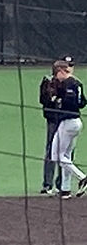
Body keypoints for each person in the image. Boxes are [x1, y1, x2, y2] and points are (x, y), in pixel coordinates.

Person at [47, 59, 87, 199]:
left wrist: (57, 99)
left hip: (68, 122)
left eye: (57, 73)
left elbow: (70, 102)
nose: (56, 77)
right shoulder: (77, 82)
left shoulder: (68, 84)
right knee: (66, 156)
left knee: (57, 156)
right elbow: (82, 102)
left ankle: (82, 177)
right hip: (76, 122)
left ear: (62, 71)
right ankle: (65, 189)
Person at [39, 57, 70, 194]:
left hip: (67, 121)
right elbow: (43, 100)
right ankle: (47, 184)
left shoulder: (72, 83)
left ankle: (62, 184)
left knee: (66, 152)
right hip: (53, 120)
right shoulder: (47, 82)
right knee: (51, 151)